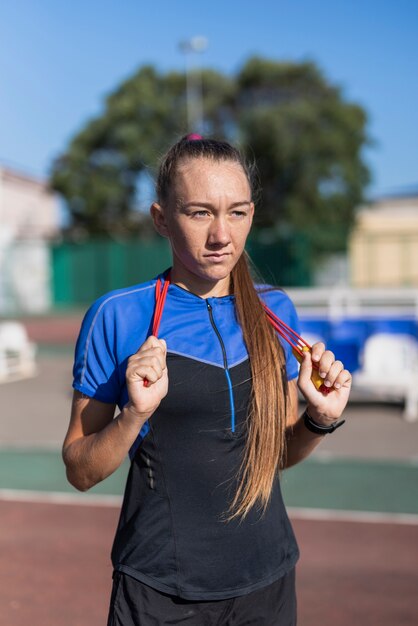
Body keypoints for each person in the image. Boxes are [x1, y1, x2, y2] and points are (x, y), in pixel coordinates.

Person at [63, 135, 351, 626]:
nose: (222, 235)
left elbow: (274, 454)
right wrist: (134, 415)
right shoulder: (118, 315)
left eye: (236, 213)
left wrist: (319, 420)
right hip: (160, 591)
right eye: (199, 213)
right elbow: (80, 469)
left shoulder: (274, 311)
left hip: (269, 582)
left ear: (252, 215)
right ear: (161, 218)